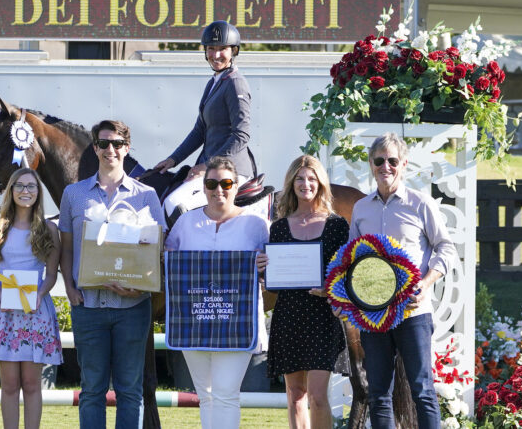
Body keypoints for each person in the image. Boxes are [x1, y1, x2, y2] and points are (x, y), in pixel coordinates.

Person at [59, 119, 164, 429]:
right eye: (103, 143)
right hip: (88, 306)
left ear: (126, 149)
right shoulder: (73, 194)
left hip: (132, 308)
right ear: (95, 148)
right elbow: (66, 248)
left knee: (130, 390)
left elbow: (157, 248)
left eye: (117, 143)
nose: (110, 149)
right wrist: (69, 287)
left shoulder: (147, 196)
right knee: (92, 390)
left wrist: (143, 283)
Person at [349, 133, 458, 429]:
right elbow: (352, 259)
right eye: (380, 160)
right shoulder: (361, 208)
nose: (386, 166)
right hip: (374, 314)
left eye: (392, 161)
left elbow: (445, 247)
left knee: (421, 390)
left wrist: (427, 281)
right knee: (379, 393)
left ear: (404, 164)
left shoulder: (420, 204)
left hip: (413, 311)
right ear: (371, 165)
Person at [165, 156, 268, 429]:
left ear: (236, 186)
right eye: (211, 183)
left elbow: (274, 273)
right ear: (204, 185)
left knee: (225, 393)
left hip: (239, 322)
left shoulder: (257, 225)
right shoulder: (185, 223)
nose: (218, 189)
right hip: (194, 321)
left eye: (225, 183)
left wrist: (264, 266)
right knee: (206, 396)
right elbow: (167, 264)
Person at [257, 155, 349, 429]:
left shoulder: (337, 225)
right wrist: (264, 270)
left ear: (320, 183)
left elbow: (347, 274)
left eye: (311, 178)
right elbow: (273, 283)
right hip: (288, 316)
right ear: (291, 183)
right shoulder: (279, 228)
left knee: (318, 397)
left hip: (323, 317)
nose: (305, 183)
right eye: (299, 178)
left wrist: (330, 290)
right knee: (295, 396)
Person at [0, 167, 63, 429]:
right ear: (11, 191)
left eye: (31, 186)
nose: (26, 191)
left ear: (38, 193)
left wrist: (40, 293)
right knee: (10, 385)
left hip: (36, 311)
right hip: (5, 311)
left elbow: (51, 275)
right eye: (20, 186)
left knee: (33, 384)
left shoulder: (49, 229)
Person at [155, 20, 253, 220]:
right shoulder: (214, 83)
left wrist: (209, 165)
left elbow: (242, 134)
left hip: (230, 170)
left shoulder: (236, 83)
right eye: (211, 49)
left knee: (174, 203)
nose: (216, 55)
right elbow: (200, 130)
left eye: (222, 49)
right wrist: (173, 159)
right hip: (212, 168)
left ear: (234, 51)